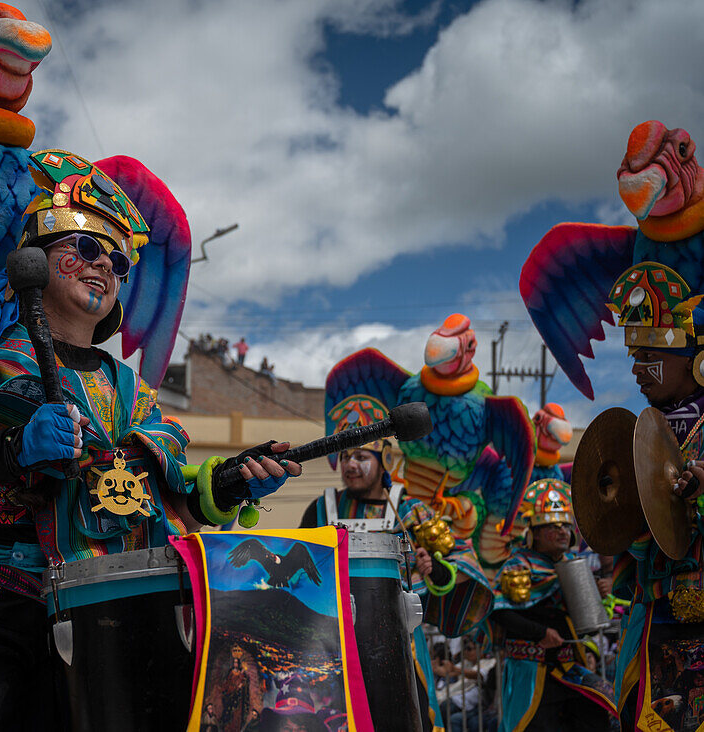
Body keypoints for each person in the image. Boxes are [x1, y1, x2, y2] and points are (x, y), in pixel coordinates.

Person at [0, 150, 300, 731]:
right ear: (33, 260)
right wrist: (8, 451)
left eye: (118, 260)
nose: (104, 265)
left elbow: (158, 503)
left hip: (102, 614)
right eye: (86, 248)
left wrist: (227, 485)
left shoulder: (135, 396)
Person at [300, 394, 494, 732]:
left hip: (400, 640)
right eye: (345, 455)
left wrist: (433, 567)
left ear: (385, 460)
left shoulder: (410, 509)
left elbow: (461, 559)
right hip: (332, 640)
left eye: (362, 455)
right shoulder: (319, 509)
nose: (351, 464)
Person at [601, 263, 704, 731]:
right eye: (634, 358)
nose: (637, 370)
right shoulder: (641, 436)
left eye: (648, 357)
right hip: (650, 622)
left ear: (695, 360)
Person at [491, 479, 614, 731]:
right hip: (532, 669)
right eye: (553, 526)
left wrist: (599, 593)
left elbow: (588, 623)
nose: (562, 532)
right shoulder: (518, 565)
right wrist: (539, 633)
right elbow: (499, 611)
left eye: (566, 527)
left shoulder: (574, 564)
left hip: (569, 665)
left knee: (597, 714)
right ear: (533, 533)